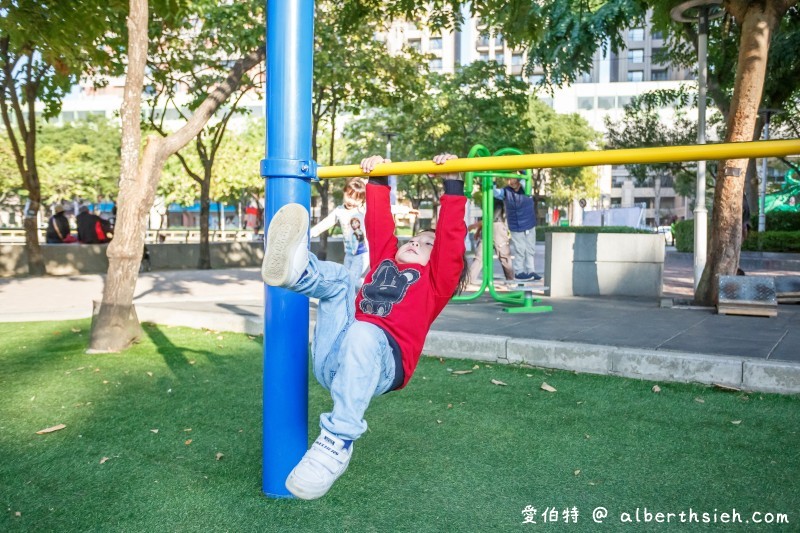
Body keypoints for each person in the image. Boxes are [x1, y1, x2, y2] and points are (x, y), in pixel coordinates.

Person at [261, 153, 467, 500]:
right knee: (343, 279)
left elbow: (450, 243)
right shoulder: (383, 262)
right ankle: (300, 272)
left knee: (365, 331)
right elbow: (380, 226)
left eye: (428, 243)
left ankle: (337, 441)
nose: (417, 241)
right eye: (415, 237)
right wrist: (379, 179)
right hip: (334, 359)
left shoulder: (434, 283)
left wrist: (453, 186)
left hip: (381, 365)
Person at [310, 178, 369, 283]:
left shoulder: (361, 209)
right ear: (344, 192)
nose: (351, 201)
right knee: (346, 278)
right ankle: (358, 291)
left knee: (351, 281)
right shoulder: (339, 211)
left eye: (356, 199)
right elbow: (326, 222)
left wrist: (365, 182)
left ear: (362, 200)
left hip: (361, 253)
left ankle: (363, 291)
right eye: (349, 196)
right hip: (349, 252)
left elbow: (372, 199)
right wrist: (311, 232)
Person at [495, 173, 540, 281]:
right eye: (509, 179)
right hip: (516, 225)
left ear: (518, 179)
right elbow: (495, 193)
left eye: (513, 178)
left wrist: (523, 171)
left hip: (528, 222)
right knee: (520, 249)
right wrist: (493, 181)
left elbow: (525, 181)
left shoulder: (526, 188)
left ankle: (531, 271)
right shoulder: (506, 191)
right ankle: (519, 271)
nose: (510, 181)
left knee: (530, 248)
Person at [467, 194, 514, 284]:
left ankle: (510, 280)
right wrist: (478, 231)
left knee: (502, 255)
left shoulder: (497, 200)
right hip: (490, 227)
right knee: (480, 256)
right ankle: (470, 278)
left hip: (496, 226)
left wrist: (475, 226)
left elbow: (491, 218)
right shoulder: (487, 199)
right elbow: (486, 217)